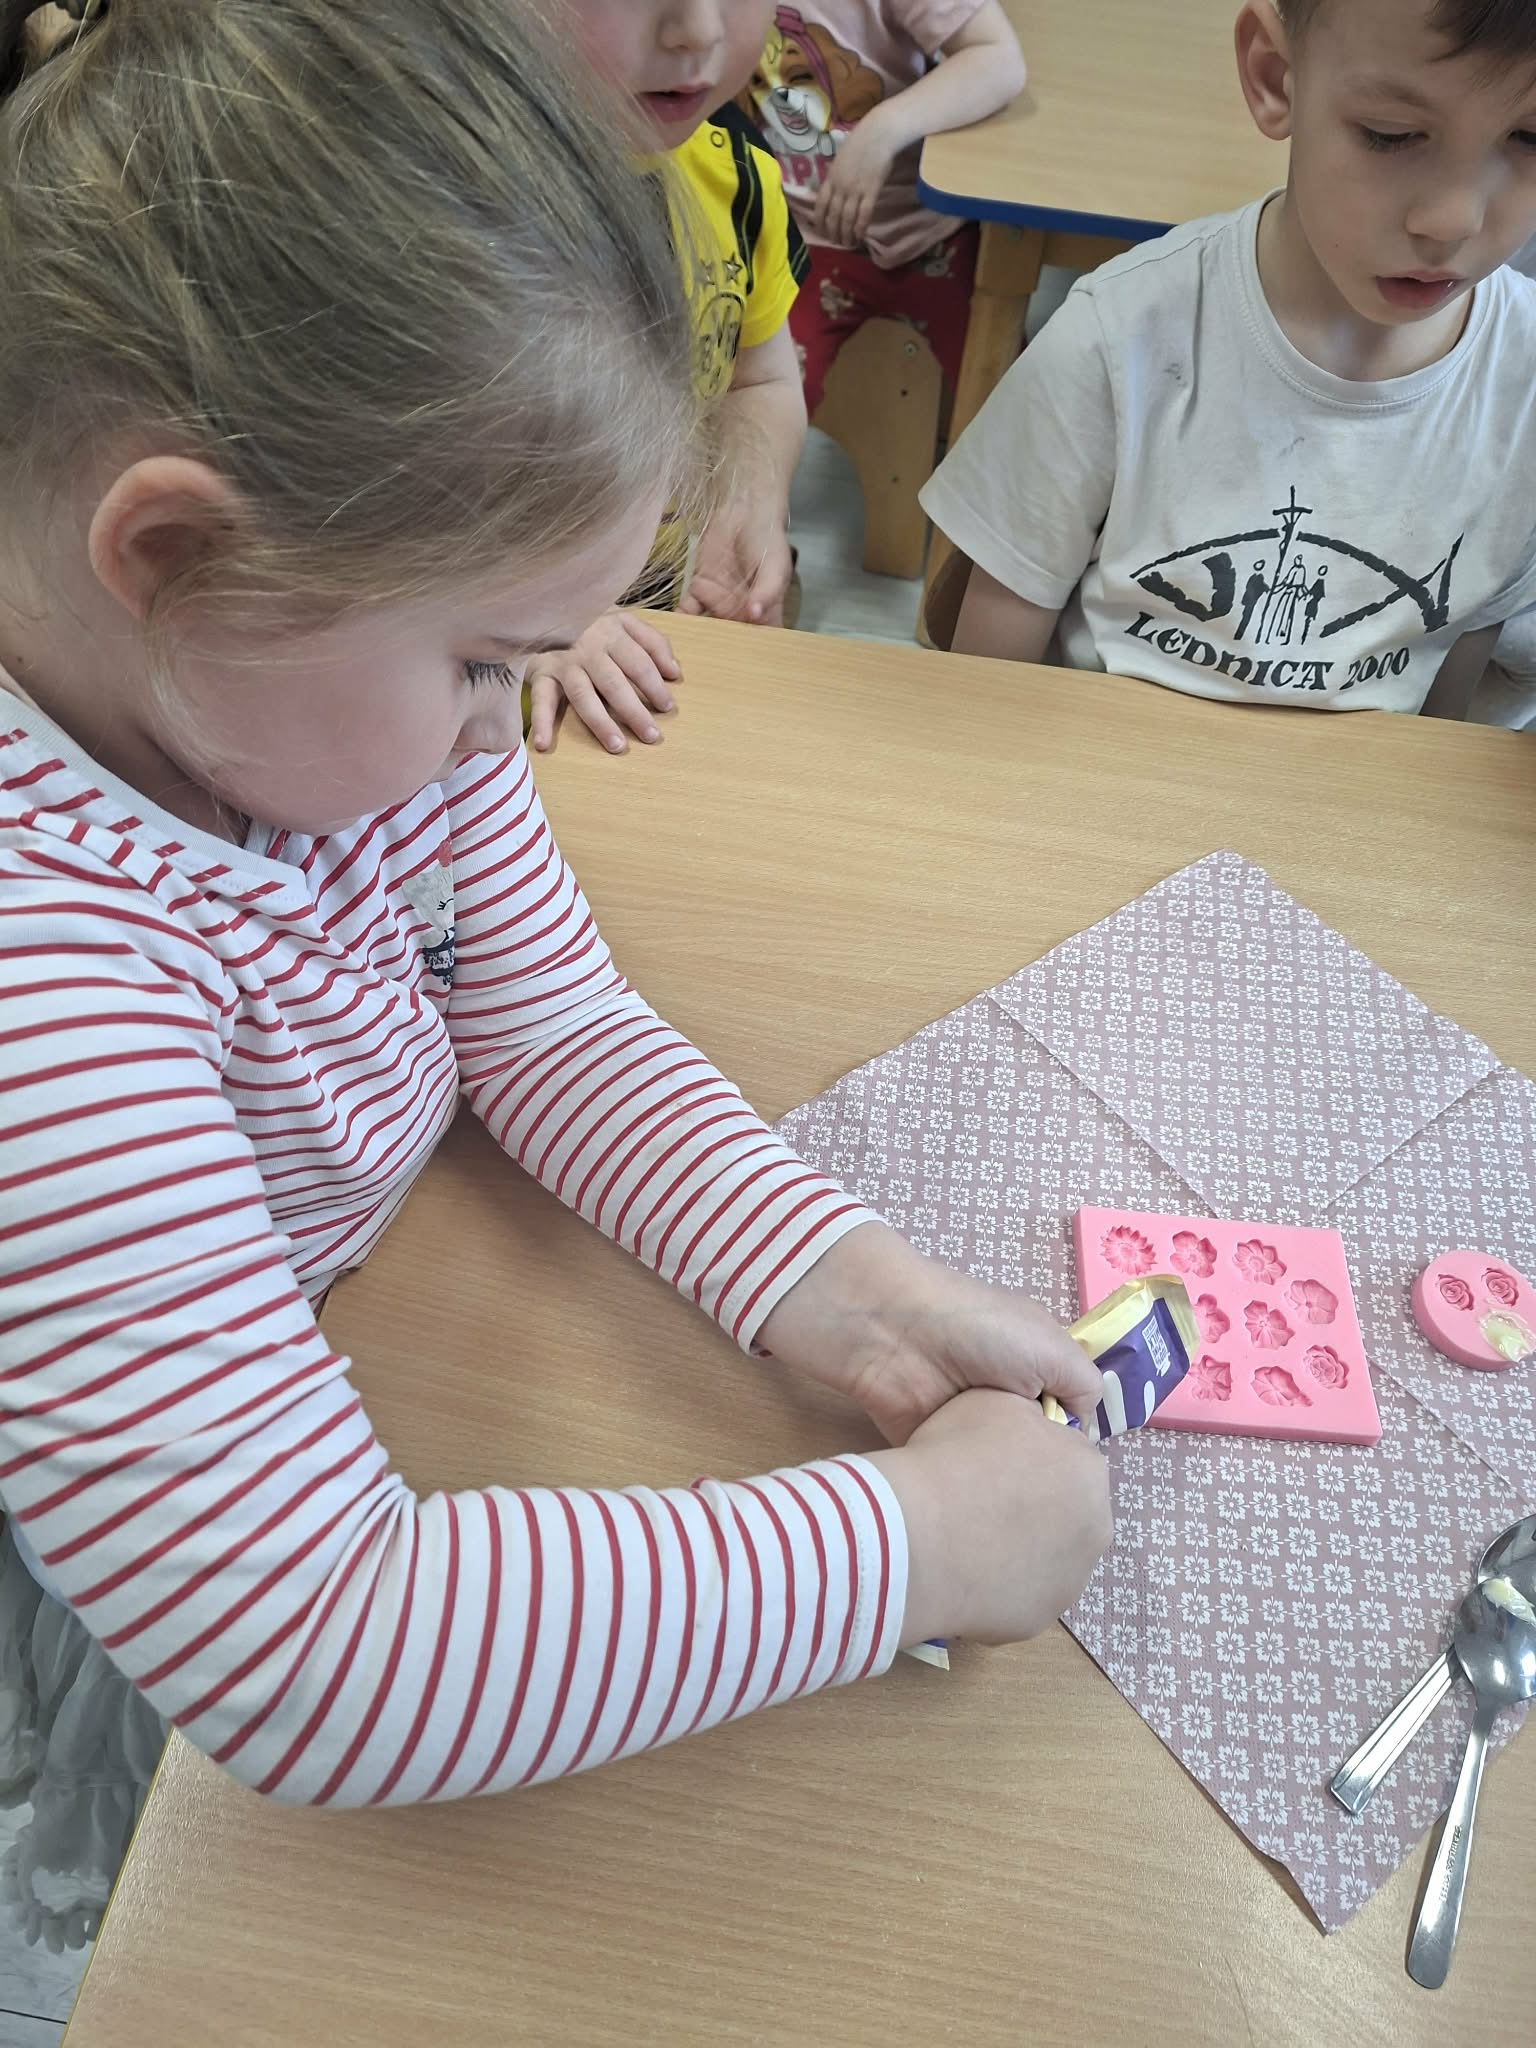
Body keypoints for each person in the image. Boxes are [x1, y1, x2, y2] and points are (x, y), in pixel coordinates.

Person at [0, 0, 1111, 1949]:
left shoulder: (295, 669)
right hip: (120, 1510)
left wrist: (843, 1287)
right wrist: (911, 1548)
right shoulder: (45, 989)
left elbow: (548, 1019)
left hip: (343, 1314)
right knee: (145, 1890)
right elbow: (319, 1646)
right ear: (170, 558)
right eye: (482, 662)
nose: (501, 730)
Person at [921, 0, 1536, 717]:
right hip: (1101, 767)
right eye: (1391, 134)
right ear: (1276, 77)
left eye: (1531, 137)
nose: (1454, 219)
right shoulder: (1116, 340)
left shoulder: (1522, 390)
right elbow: (984, 704)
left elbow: (1440, 729)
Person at [525, 0, 811, 756]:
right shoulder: (439, 200)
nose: (700, 31)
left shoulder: (739, 174)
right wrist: (533, 618)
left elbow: (758, 381)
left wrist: (749, 497)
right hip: (482, 669)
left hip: (658, 609)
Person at [739, 2, 1025, 420]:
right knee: (754, 409)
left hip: (930, 230)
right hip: (798, 241)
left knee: (1013, 403)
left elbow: (999, 59)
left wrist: (883, 129)